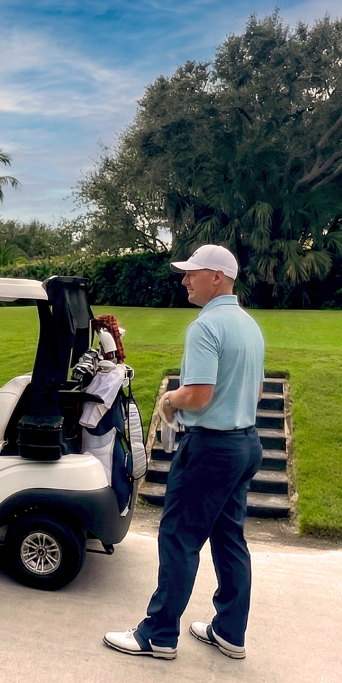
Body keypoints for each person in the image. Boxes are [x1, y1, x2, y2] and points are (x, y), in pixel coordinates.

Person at [106, 244, 266, 661]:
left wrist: (170, 400)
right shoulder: (249, 325)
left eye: (192, 273)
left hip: (211, 448)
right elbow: (256, 391)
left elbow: (198, 395)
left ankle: (158, 635)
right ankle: (230, 631)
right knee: (229, 538)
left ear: (217, 277)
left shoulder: (205, 327)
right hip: (246, 444)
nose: (184, 281)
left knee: (179, 538)